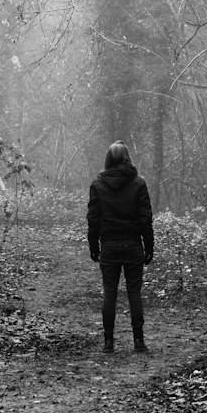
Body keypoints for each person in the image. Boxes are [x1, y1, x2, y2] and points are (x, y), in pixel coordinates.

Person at [87, 141, 154, 353]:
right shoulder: (138, 183)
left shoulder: (98, 184)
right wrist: (149, 245)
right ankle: (139, 341)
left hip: (109, 246)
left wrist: (93, 245)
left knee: (110, 293)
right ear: (127, 158)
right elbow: (145, 219)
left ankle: (108, 342)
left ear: (108, 158)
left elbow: (93, 219)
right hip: (133, 245)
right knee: (134, 293)